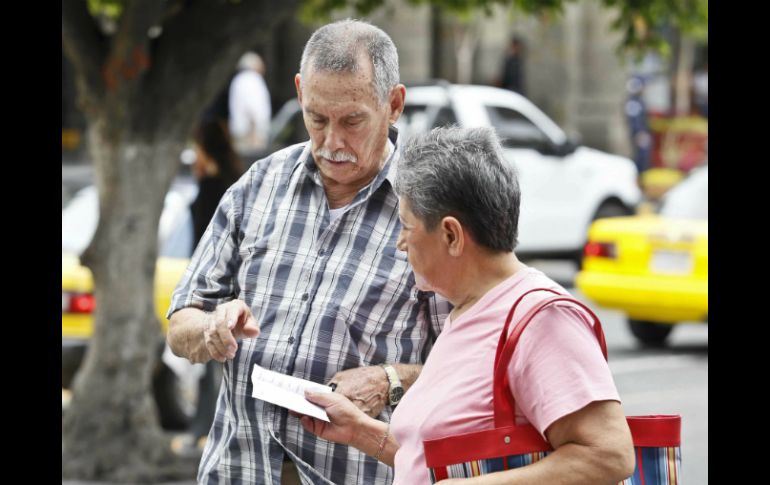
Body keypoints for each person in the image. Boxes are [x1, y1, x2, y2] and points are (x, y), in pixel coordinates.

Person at [166, 19, 449, 484]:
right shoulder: (258, 186)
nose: (332, 141)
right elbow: (182, 320)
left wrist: (389, 380)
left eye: (352, 121)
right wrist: (211, 328)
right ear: (299, 92)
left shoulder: (430, 210)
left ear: (394, 104)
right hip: (237, 471)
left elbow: (470, 363)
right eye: (316, 118)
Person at [299, 126, 636, 485]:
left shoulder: (542, 318)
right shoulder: (467, 309)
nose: (400, 243)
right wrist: (358, 430)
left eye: (406, 227)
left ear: (451, 235)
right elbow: (444, 459)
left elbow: (609, 455)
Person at [172, 116, 245, 456]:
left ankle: (204, 429)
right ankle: (205, 429)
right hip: (229, 294)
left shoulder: (215, 189)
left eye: (195, 150)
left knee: (212, 367)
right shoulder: (233, 183)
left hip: (215, 294)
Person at [228, 51, 272, 161]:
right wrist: (255, 136)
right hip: (250, 136)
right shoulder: (252, 79)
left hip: (240, 134)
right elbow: (253, 109)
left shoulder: (239, 79)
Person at [624, 75, 652, 175]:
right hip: (640, 134)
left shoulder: (638, 101)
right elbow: (635, 121)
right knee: (641, 157)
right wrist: (638, 133)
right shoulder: (633, 102)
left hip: (642, 132)